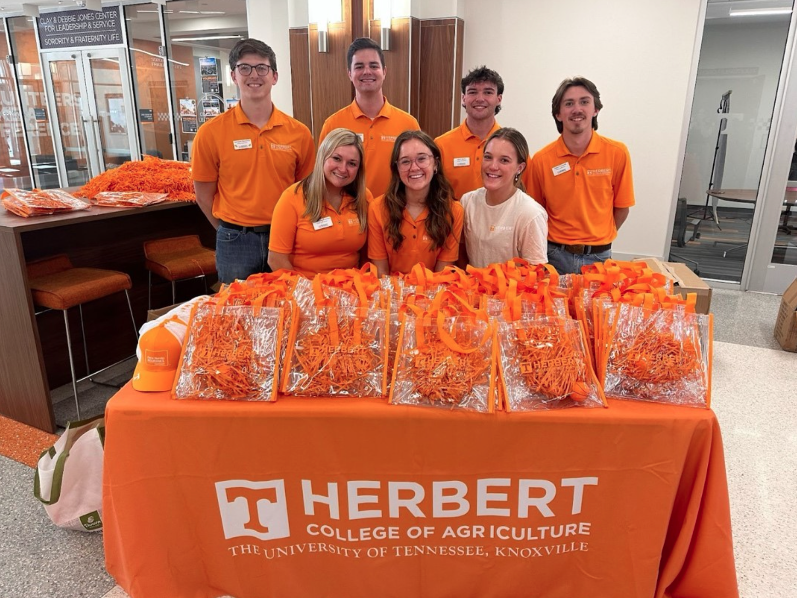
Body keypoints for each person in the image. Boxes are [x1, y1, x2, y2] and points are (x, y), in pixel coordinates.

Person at [192, 38, 315, 284]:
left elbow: (307, 192)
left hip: (286, 238)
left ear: (275, 76)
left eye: (262, 68)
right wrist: (229, 231)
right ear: (234, 76)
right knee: (237, 315)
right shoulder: (210, 133)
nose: (254, 75)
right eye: (244, 68)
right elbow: (203, 196)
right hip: (235, 241)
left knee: (287, 309)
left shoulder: (299, 133)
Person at [529, 76, 634, 275]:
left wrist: (597, 237)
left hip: (599, 258)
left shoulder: (617, 153)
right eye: (569, 103)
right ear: (558, 114)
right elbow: (536, 213)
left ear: (595, 109)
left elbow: (622, 208)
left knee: (595, 308)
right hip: (554, 256)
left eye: (584, 102)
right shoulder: (541, 160)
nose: (577, 109)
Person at [319, 37, 420, 197]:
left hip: (395, 215)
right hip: (348, 216)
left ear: (384, 71)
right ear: (349, 73)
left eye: (373, 66)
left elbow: (417, 173)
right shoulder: (333, 125)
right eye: (359, 66)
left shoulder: (408, 123)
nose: (367, 71)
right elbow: (321, 177)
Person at [268, 128, 370, 277]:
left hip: (351, 291)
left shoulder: (364, 198)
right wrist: (309, 292)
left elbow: (369, 255)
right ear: (322, 156)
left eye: (352, 163)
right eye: (336, 158)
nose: (343, 168)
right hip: (305, 291)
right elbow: (276, 259)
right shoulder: (292, 197)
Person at [368, 131, 463, 276]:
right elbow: (381, 274)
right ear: (397, 169)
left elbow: (442, 276)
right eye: (405, 161)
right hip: (391, 294)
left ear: (435, 164)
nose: (414, 168)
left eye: (422, 159)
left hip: (433, 295)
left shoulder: (453, 211)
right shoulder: (377, 208)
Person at [435, 66, 532, 200]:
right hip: (454, 220)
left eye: (488, 92)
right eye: (473, 92)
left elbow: (526, 195)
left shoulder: (514, 147)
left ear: (499, 99)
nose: (480, 98)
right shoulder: (441, 145)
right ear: (463, 98)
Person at [460, 128, 548, 268]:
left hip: (514, 290)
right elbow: (462, 256)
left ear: (519, 168)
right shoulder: (467, 202)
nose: (493, 166)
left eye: (504, 160)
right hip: (473, 289)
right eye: (488, 157)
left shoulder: (530, 213)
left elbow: (536, 275)